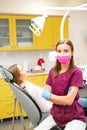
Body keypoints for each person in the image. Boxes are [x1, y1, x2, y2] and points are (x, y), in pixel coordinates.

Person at [34, 39, 86, 130]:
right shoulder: (52, 71)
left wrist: (51, 96)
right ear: (56, 53)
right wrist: (62, 99)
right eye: (59, 51)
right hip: (56, 116)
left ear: (72, 53)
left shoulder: (76, 72)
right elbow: (46, 97)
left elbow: (69, 101)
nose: (62, 54)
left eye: (66, 51)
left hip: (74, 117)